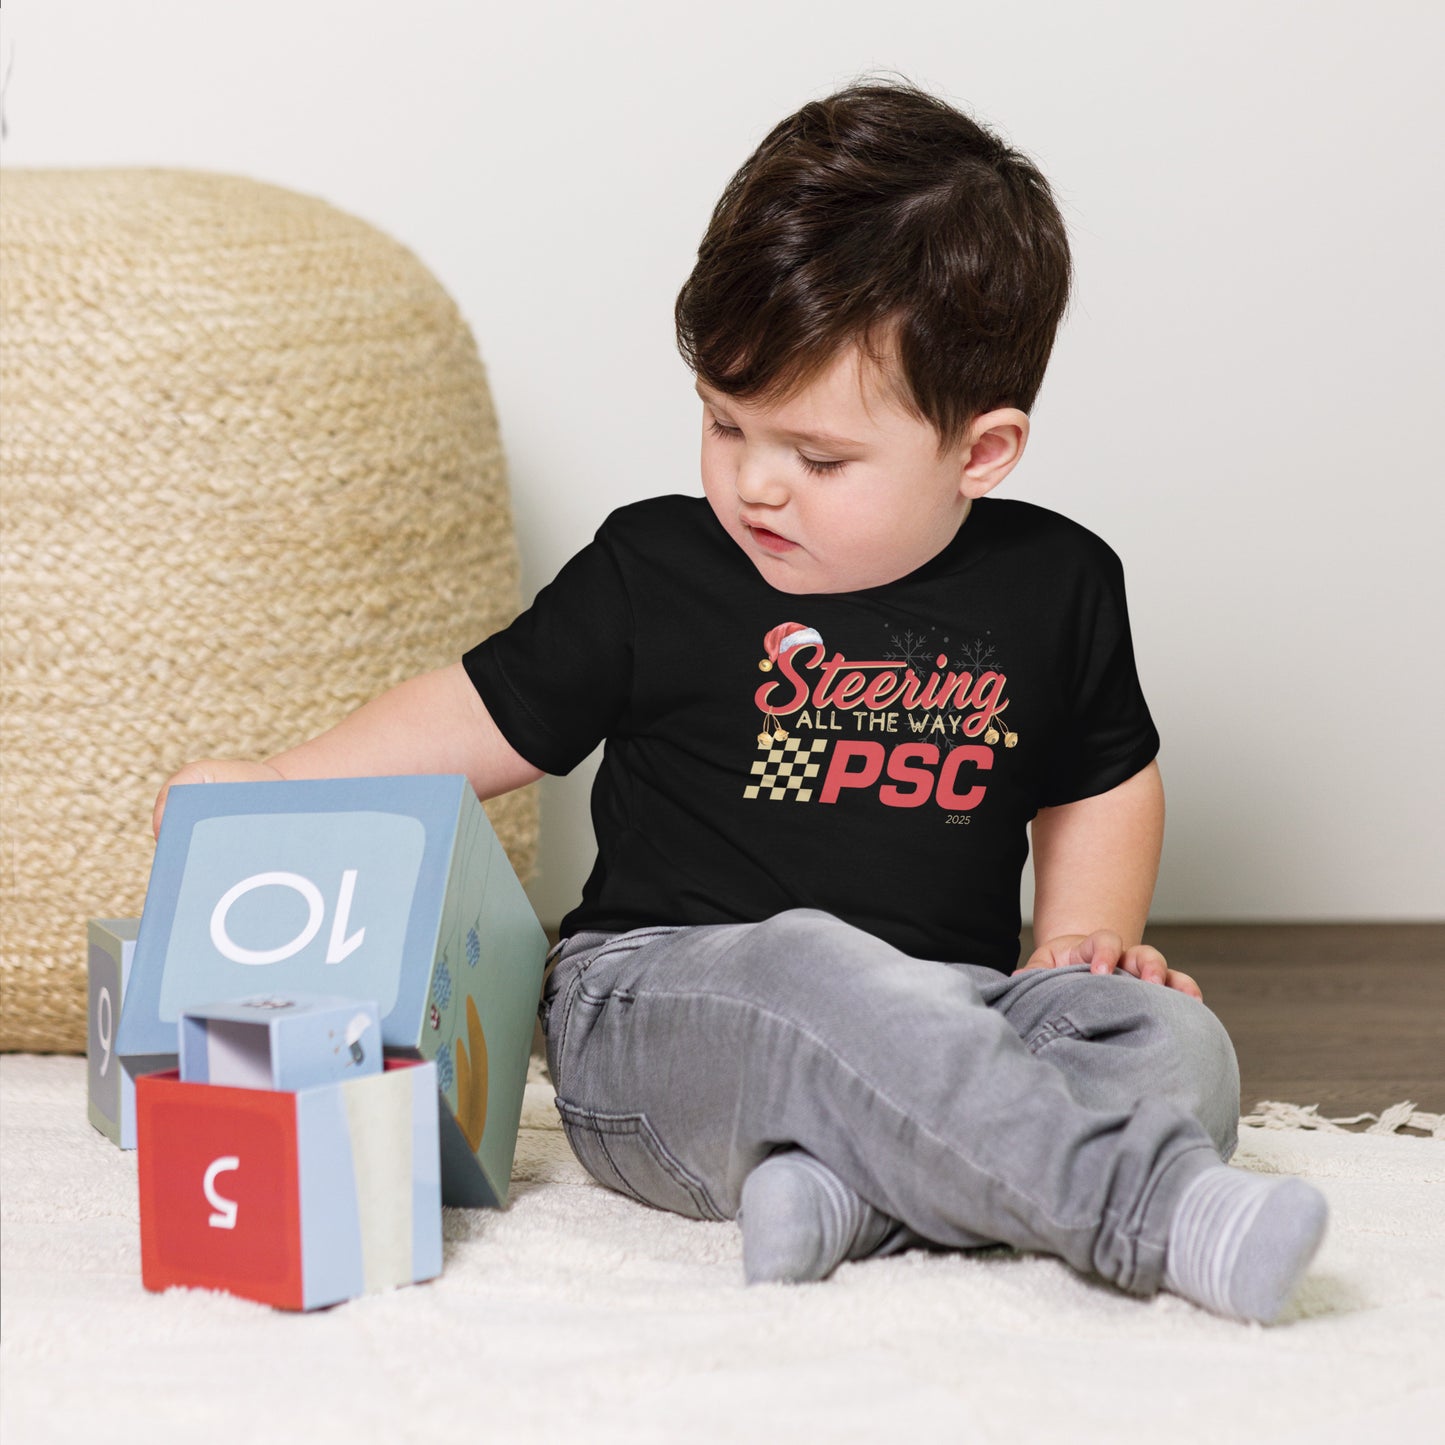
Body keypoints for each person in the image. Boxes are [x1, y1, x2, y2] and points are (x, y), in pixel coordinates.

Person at [155, 78, 1328, 1323]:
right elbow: (475, 715)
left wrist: (1071, 949)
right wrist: (281, 786)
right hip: (666, 1008)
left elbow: (1098, 773)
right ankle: (1133, 1207)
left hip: (954, 1011)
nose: (755, 484)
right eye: (724, 423)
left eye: (817, 457)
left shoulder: (1057, 584)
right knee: (811, 963)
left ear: (978, 452)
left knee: (1173, 1044)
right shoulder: (650, 571)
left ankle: (854, 1198)